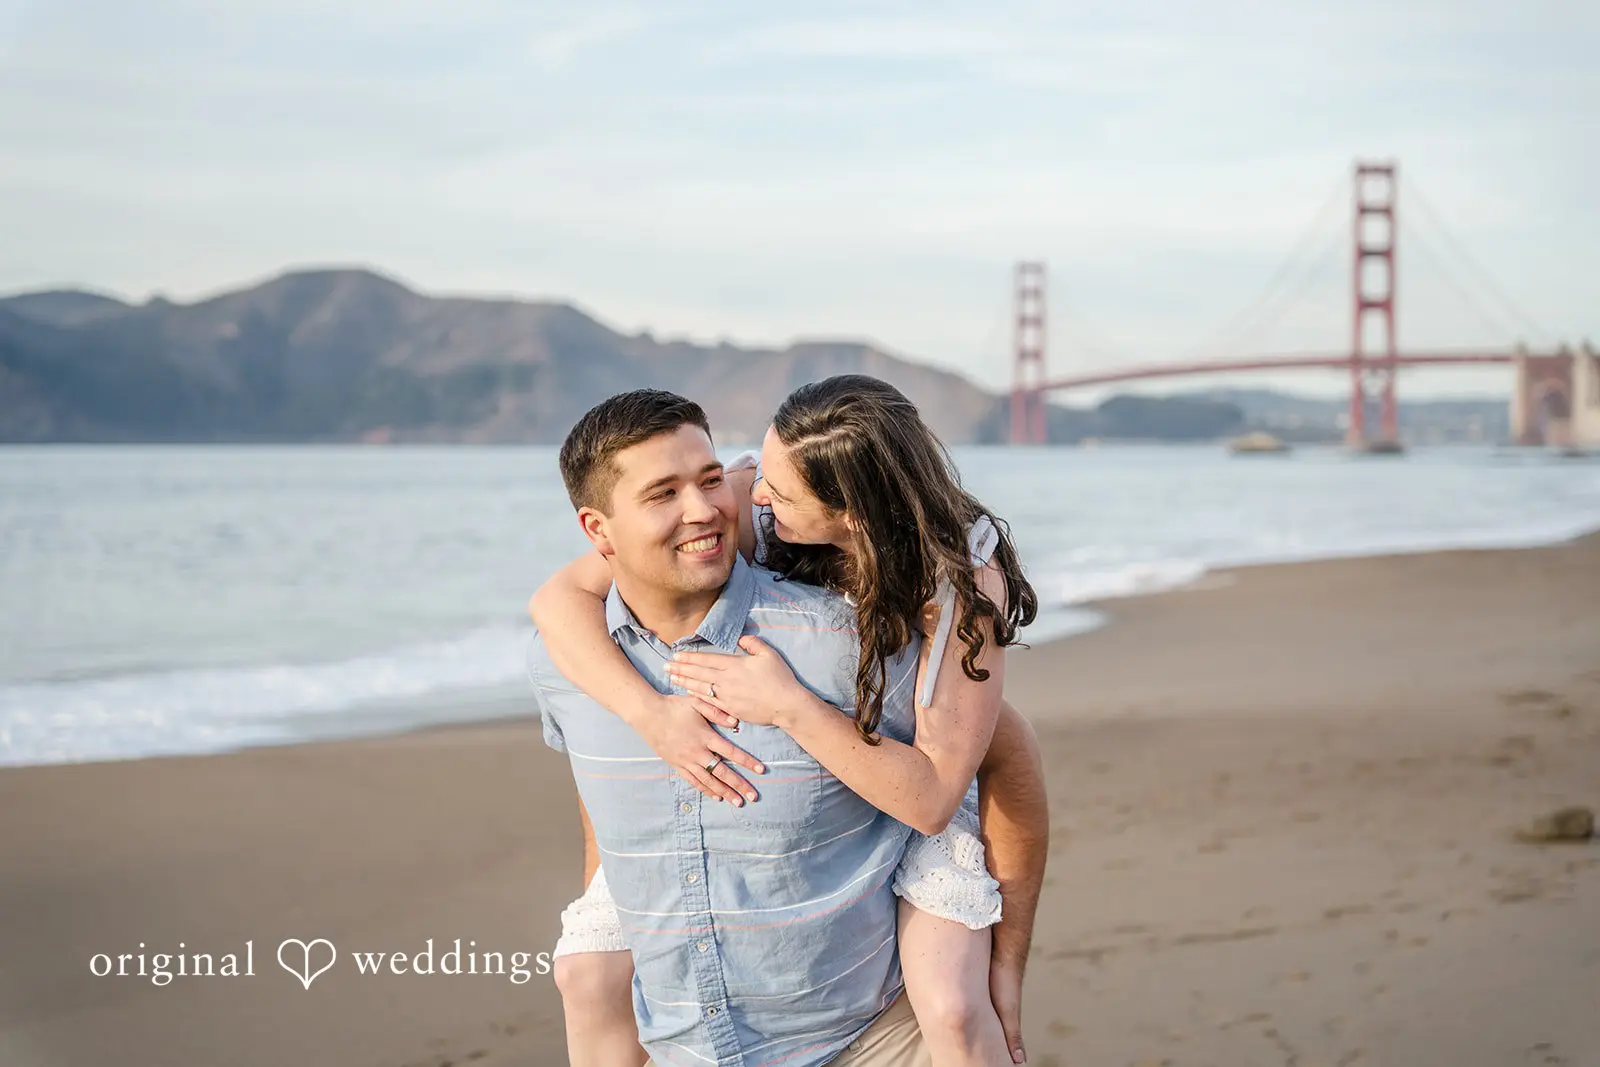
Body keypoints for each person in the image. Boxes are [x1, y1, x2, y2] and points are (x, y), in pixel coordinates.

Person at [531, 376, 1050, 1066]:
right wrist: (650, 715)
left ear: (850, 514)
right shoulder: (744, 500)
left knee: (954, 1006)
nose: (749, 496)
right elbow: (559, 596)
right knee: (586, 968)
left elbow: (966, 775)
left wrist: (1007, 965)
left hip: (921, 787)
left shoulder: (952, 593)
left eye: (771, 488)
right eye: (751, 473)